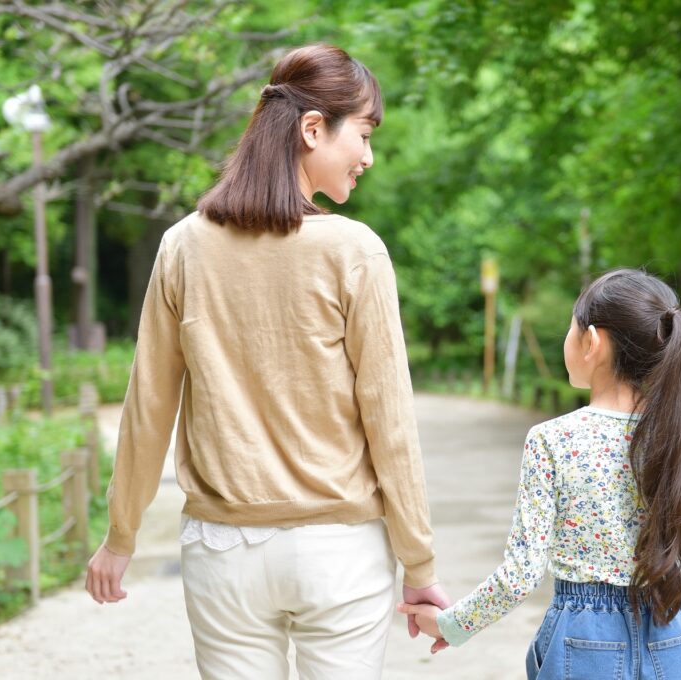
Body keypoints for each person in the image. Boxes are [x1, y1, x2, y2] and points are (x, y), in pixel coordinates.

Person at [84, 43, 449, 679]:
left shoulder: (183, 246)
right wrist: (418, 567)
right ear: (314, 129)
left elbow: (148, 407)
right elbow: (390, 421)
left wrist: (122, 537)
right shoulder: (354, 250)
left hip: (223, 552)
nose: (368, 156)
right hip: (340, 552)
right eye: (362, 135)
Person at [398, 268, 681, 679]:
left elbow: (520, 576)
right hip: (673, 634)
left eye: (571, 328)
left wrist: (452, 625)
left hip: (585, 641)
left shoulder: (554, 439)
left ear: (592, 342)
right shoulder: (679, 439)